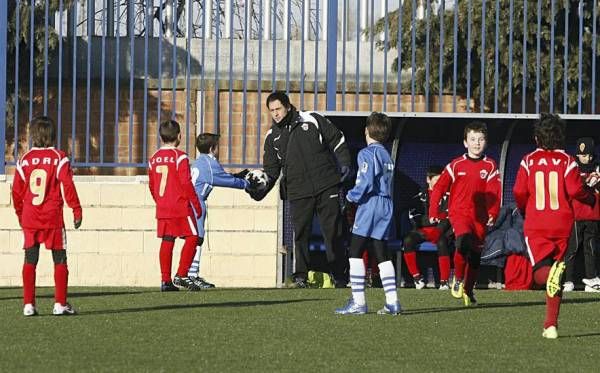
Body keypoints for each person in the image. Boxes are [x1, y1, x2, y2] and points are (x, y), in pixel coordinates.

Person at [247, 92, 352, 288]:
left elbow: (337, 139)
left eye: (278, 109)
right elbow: (271, 171)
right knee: (300, 234)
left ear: (288, 106)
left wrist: (345, 163)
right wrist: (259, 190)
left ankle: (340, 276)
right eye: (271, 111)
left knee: (333, 232)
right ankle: (300, 277)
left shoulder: (311, 119)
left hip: (326, 184)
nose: (275, 114)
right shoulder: (272, 137)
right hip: (298, 191)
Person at [513, 113, 596, 339]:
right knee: (555, 275)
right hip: (562, 223)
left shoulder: (528, 160)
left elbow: (519, 192)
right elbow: (576, 190)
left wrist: (523, 209)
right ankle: (551, 325)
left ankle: (552, 277)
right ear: (561, 137)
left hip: (537, 223)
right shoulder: (568, 161)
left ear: (537, 138)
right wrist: (589, 197)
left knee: (541, 272)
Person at [12, 116, 82, 316]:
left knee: (30, 259)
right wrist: (77, 210)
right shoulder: (59, 158)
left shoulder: (24, 160)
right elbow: (67, 186)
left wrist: (20, 215)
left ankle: (28, 304)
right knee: (59, 258)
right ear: (52, 135)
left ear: (33, 136)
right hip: (52, 216)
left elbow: (16, 192)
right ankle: (60, 304)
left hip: (30, 217)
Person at [429, 121, 501, 306]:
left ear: (486, 142)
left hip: (480, 217)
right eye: (473, 139)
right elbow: (439, 188)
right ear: (465, 142)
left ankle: (468, 290)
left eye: (480, 139)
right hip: (459, 214)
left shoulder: (490, 166)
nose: (477, 143)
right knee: (463, 241)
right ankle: (458, 279)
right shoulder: (456, 165)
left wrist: (493, 212)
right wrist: (433, 210)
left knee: (476, 255)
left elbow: (494, 192)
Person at [335, 112, 401, 315]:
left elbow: (365, 182)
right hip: (386, 204)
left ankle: (359, 302)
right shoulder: (386, 154)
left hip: (370, 204)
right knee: (381, 251)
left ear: (366, 131)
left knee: (354, 251)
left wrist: (350, 198)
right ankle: (392, 302)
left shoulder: (366, 153)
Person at [187, 133, 252, 288]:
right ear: (212, 148)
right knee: (197, 239)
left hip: (189, 202)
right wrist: (247, 184)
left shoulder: (199, 162)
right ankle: (190, 274)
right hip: (197, 203)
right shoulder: (210, 163)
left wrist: (236, 176)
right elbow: (226, 181)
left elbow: (221, 176)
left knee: (195, 238)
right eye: (217, 147)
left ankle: (191, 273)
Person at [148, 120, 203, 291]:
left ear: (160, 137)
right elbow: (186, 183)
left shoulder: (153, 159)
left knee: (167, 239)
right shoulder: (180, 157)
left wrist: (159, 201)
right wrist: (196, 204)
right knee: (193, 237)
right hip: (179, 205)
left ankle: (165, 281)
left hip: (163, 207)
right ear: (179, 136)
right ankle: (182, 274)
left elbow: (152, 185)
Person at [403, 165, 452, 290]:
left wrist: (439, 226)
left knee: (442, 242)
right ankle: (417, 278)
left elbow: (448, 216)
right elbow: (415, 216)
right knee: (408, 241)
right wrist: (430, 220)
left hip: (440, 231)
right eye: (437, 180)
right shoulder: (420, 196)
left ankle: (444, 281)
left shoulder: (448, 196)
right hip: (422, 230)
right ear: (428, 180)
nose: (440, 184)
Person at [563, 137, 600, 292]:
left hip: (593, 217)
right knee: (572, 249)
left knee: (590, 249)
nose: (586, 158)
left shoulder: (597, 169)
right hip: (576, 217)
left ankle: (591, 280)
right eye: (582, 155)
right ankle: (568, 281)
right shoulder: (573, 169)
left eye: (588, 155)